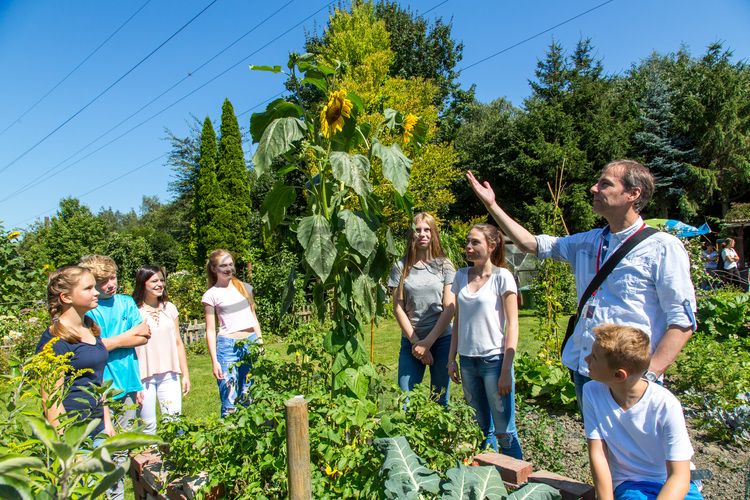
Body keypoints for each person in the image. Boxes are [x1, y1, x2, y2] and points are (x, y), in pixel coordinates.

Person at [467, 160, 696, 409]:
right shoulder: (588, 242)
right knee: (596, 444)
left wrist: (647, 376)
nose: (593, 189)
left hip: (630, 378)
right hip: (587, 370)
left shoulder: (663, 248)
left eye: (605, 184)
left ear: (633, 194)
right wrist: (491, 205)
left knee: (633, 448)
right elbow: (530, 244)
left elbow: (682, 321)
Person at [584, 323, 702, 500]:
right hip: (632, 483)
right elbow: (598, 453)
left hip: (672, 483)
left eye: (593, 357)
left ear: (619, 375)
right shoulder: (592, 392)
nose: (586, 359)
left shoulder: (665, 405)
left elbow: (679, 476)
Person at [447, 224, 523, 459]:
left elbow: (513, 325)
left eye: (475, 242)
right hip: (468, 362)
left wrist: (506, 370)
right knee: (481, 430)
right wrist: (451, 359)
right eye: (467, 242)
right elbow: (458, 321)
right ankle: (491, 481)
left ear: (492, 246)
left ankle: (518, 486)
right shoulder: (460, 276)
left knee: (504, 432)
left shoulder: (503, 277)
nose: (468, 247)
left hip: (494, 362)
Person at [79, 255, 150, 500]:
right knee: (101, 449)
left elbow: (144, 336)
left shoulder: (126, 302)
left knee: (121, 449)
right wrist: (125, 337)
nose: (111, 283)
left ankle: (117, 496)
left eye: (113, 277)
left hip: (128, 382)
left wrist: (108, 343)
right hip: (101, 387)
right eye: (103, 281)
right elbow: (92, 348)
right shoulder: (90, 309)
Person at [36, 266, 114, 440]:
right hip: (73, 432)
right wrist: (67, 447)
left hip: (97, 426)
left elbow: (98, 380)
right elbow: (51, 400)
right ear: (66, 297)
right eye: (88, 288)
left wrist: (107, 422)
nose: (96, 292)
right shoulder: (55, 342)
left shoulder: (90, 328)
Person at [388, 212, 456, 407]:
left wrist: (428, 343)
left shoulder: (445, 265)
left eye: (427, 229)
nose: (423, 234)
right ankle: (407, 438)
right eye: (418, 230)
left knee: (439, 399)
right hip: (411, 341)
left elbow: (450, 308)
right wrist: (417, 342)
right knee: (405, 401)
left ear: (434, 234)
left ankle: (437, 438)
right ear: (412, 234)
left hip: (441, 340)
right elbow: (397, 308)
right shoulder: (401, 267)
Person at [202, 249, 262, 417]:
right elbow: (210, 329)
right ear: (214, 269)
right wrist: (214, 361)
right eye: (223, 266)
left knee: (249, 392)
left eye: (230, 264)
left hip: (250, 342)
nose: (228, 269)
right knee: (229, 396)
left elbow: (253, 317)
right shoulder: (211, 295)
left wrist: (260, 341)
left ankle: (249, 437)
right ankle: (228, 438)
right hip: (227, 347)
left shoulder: (244, 288)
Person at [132, 265, 191, 435]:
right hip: (144, 376)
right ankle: (153, 459)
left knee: (174, 421)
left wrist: (185, 374)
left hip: (170, 373)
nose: (160, 284)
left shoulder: (170, 308)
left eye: (162, 280)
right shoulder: (135, 311)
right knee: (147, 425)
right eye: (154, 281)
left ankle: (175, 460)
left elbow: (178, 342)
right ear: (142, 284)